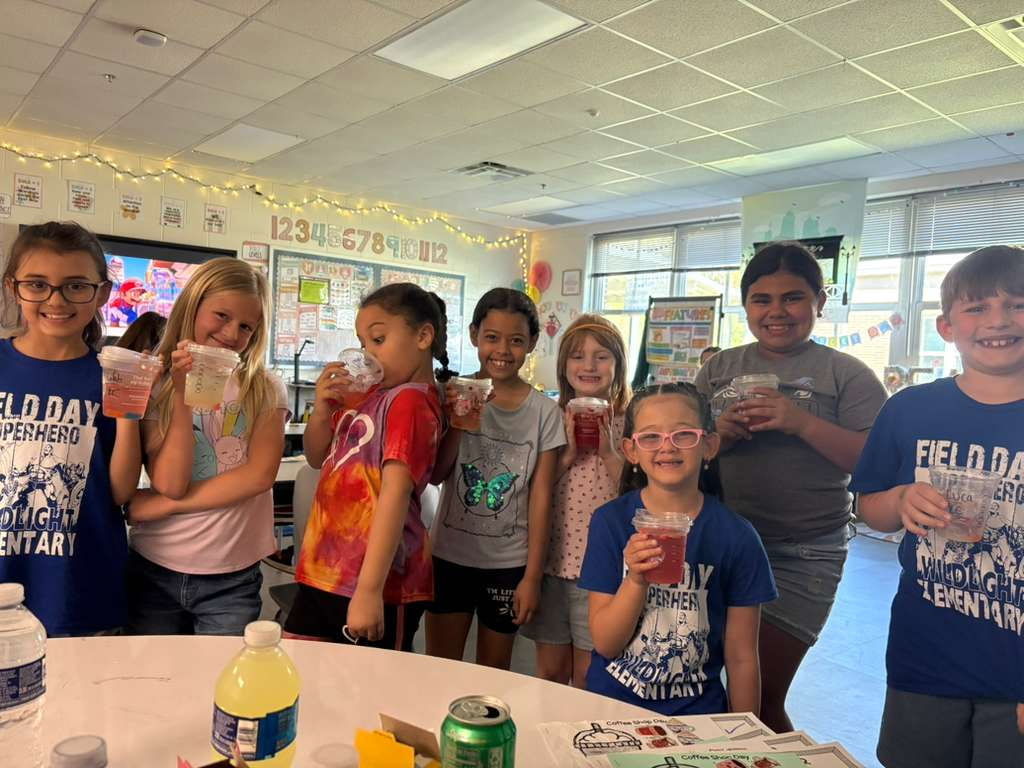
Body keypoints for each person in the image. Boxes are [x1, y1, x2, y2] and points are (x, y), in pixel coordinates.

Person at [694, 242, 887, 731]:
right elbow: (683, 453)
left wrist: (800, 422)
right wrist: (722, 438)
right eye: (762, 299)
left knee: (758, 699)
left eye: (793, 298)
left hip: (803, 554)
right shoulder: (717, 370)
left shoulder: (848, 376)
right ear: (745, 306)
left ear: (820, 302)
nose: (776, 312)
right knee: (700, 687)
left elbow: (876, 465)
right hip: (720, 544)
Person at [850, 245, 1024, 766]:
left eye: (1017, 304)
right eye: (977, 308)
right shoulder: (909, 409)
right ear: (947, 327)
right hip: (924, 658)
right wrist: (901, 498)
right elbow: (868, 508)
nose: (998, 320)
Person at [580, 383, 776, 715]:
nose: (667, 448)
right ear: (631, 451)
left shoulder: (737, 537)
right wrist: (636, 581)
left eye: (683, 435)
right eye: (651, 437)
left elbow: (742, 657)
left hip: (696, 714)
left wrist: (745, 738)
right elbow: (606, 643)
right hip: (611, 706)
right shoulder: (610, 522)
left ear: (709, 445)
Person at [125, 257, 287, 635]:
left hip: (231, 576)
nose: (232, 333)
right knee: (153, 680)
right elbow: (169, 480)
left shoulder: (263, 387)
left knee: (217, 686)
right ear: (192, 305)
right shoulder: (154, 382)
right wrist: (181, 395)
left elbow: (259, 476)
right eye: (221, 316)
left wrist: (160, 506)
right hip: (155, 567)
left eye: (247, 326)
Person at [285, 283, 450, 651]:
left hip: (378, 583)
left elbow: (394, 494)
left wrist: (369, 591)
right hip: (325, 571)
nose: (367, 353)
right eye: (363, 343)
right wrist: (323, 408)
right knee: (308, 680)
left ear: (424, 336)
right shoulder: (372, 396)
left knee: (363, 694)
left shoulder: (409, 401)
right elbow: (316, 458)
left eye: (378, 339)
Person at [0, 221, 141, 636]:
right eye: (38, 284)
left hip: (80, 586)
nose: (56, 299)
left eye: (76, 286)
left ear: (102, 293)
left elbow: (119, 493)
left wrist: (129, 408)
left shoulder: (114, 374)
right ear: (13, 287)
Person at [427, 288, 565, 669]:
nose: (503, 350)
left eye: (516, 340)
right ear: (474, 335)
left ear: (532, 343)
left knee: (494, 674)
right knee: (439, 667)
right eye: (492, 338)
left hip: (509, 564)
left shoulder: (544, 413)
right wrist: (458, 423)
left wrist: (532, 577)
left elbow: (541, 499)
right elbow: (435, 474)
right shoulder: (449, 394)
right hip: (449, 557)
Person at [521, 314, 629, 687]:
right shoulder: (551, 416)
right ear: (564, 365)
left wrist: (612, 454)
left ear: (618, 364)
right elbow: (533, 491)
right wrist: (565, 457)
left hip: (602, 573)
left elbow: (638, 498)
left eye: (601, 356)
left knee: (588, 674)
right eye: (578, 357)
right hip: (552, 564)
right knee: (549, 672)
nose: (588, 366)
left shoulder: (630, 421)